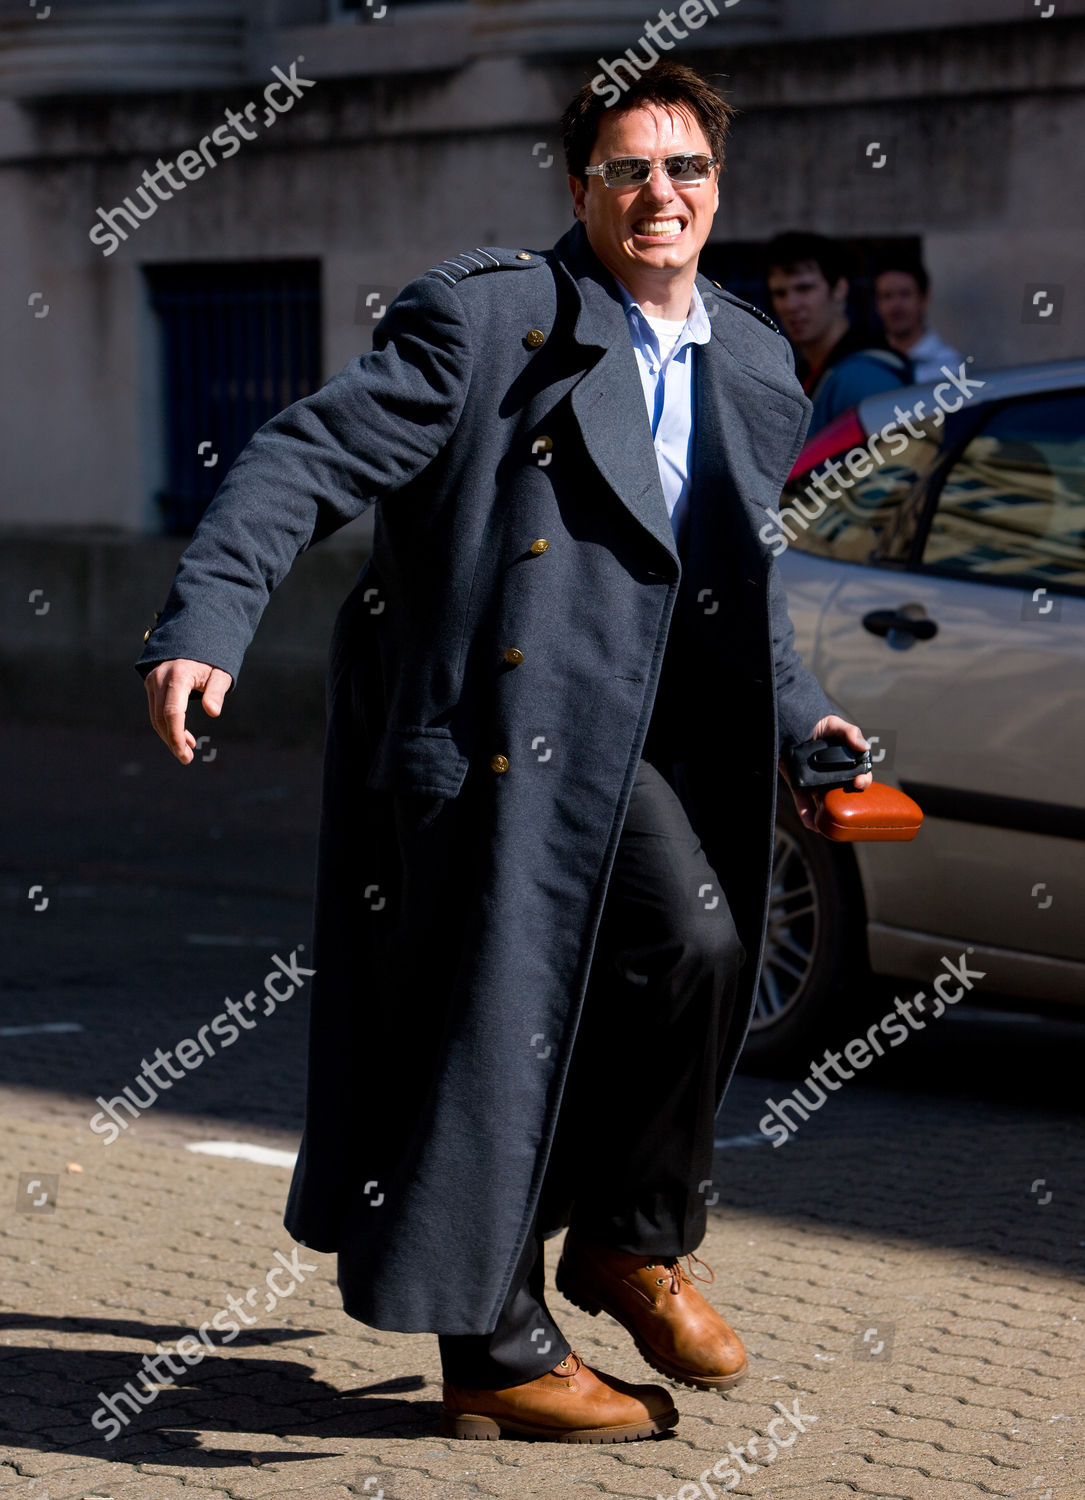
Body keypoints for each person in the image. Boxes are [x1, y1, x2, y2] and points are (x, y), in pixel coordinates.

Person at [137, 62, 870, 1444]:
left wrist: (799, 713)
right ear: (578, 188)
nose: (659, 194)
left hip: (640, 745)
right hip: (491, 747)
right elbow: (299, 457)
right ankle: (498, 1353)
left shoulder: (750, 352)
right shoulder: (487, 320)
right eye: (627, 169)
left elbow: (730, 580)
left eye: (685, 168)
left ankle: (629, 1239)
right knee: (487, 1036)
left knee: (701, 952)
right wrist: (209, 620)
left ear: (718, 187)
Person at [765, 230, 911, 433]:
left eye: (804, 289)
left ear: (839, 289)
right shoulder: (804, 373)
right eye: (780, 293)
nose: (790, 305)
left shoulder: (864, 377)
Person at [874, 258, 962, 383]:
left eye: (905, 294)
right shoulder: (871, 363)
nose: (895, 305)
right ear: (877, 304)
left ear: (924, 300)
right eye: (887, 296)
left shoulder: (949, 366)